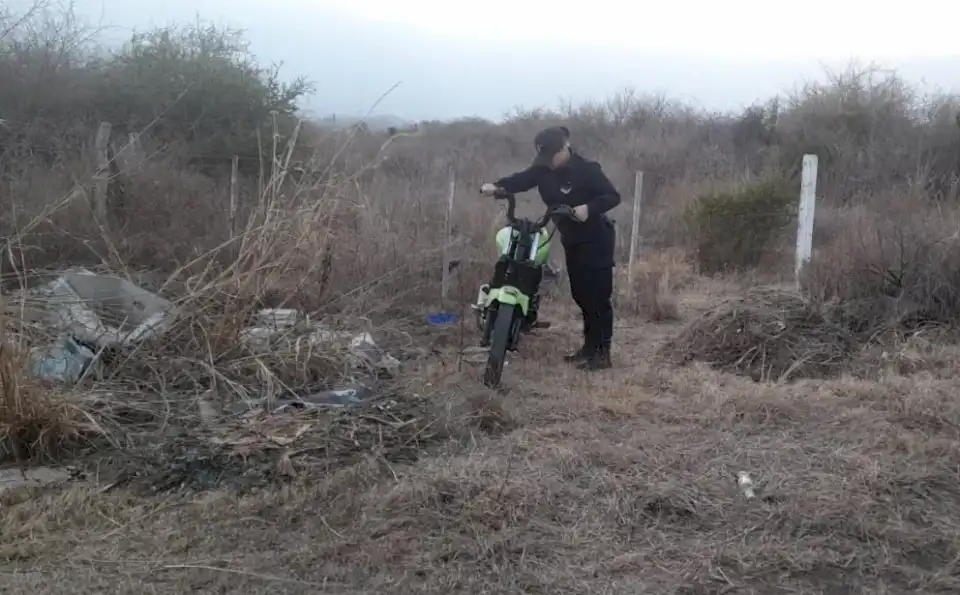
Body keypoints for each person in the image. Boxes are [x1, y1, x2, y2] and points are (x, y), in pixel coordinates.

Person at [480, 126, 620, 370]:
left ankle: (602, 353)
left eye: (551, 157)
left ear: (564, 149)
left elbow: (612, 196)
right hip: (571, 238)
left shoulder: (588, 170)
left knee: (598, 297)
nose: (548, 163)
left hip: (597, 240)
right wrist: (496, 186)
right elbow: (522, 180)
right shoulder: (543, 170)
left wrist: (588, 208)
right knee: (581, 295)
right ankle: (588, 348)